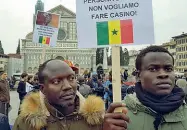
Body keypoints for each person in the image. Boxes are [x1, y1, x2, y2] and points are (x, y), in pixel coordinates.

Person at [13, 59, 129, 130]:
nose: (68, 86)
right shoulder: (26, 123)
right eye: (56, 81)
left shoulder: (97, 119)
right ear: (43, 89)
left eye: (71, 78)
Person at [124, 46, 186, 130]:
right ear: (139, 76)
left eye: (168, 69)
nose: (163, 74)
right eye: (153, 69)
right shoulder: (120, 115)